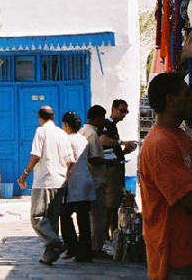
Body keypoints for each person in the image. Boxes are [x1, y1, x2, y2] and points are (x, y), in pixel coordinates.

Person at [139, 72, 192, 280]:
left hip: (189, 251)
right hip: (173, 257)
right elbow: (189, 199)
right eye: (185, 93)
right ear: (170, 100)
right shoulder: (160, 145)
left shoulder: (178, 136)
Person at [17, 105, 74, 266]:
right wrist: (64, 176)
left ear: (40, 117)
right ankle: (48, 256)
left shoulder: (40, 132)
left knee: (37, 217)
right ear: (53, 117)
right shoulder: (62, 134)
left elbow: (36, 155)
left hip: (44, 181)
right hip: (60, 182)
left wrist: (25, 174)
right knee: (51, 219)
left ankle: (56, 242)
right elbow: (70, 160)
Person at [59, 111, 95, 262]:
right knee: (83, 218)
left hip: (73, 182)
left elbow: (69, 161)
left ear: (66, 125)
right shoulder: (83, 139)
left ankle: (72, 246)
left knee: (65, 215)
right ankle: (85, 251)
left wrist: (62, 178)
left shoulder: (67, 140)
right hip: (85, 181)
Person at [100, 99, 138, 238]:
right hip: (110, 171)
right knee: (110, 205)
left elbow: (113, 150)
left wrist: (125, 151)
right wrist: (122, 142)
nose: (124, 114)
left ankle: (113, 233)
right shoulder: (107, 124)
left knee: (115, 204)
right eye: (122, 111)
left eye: (126, 111)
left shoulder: (113, 127)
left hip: (117, 168)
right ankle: (107, 235)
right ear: (114, 109)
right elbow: (103, 140)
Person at [79, 105, 110, 256]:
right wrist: (110, 162)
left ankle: (92, 245)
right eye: (102, 118)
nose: (103, 122)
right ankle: (96, 247)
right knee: (98, 217)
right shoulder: (92, 133)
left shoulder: (82, 131)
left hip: (87, 179)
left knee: (92, 217)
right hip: (95, 180)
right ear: (97, 118)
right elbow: (94, 158)